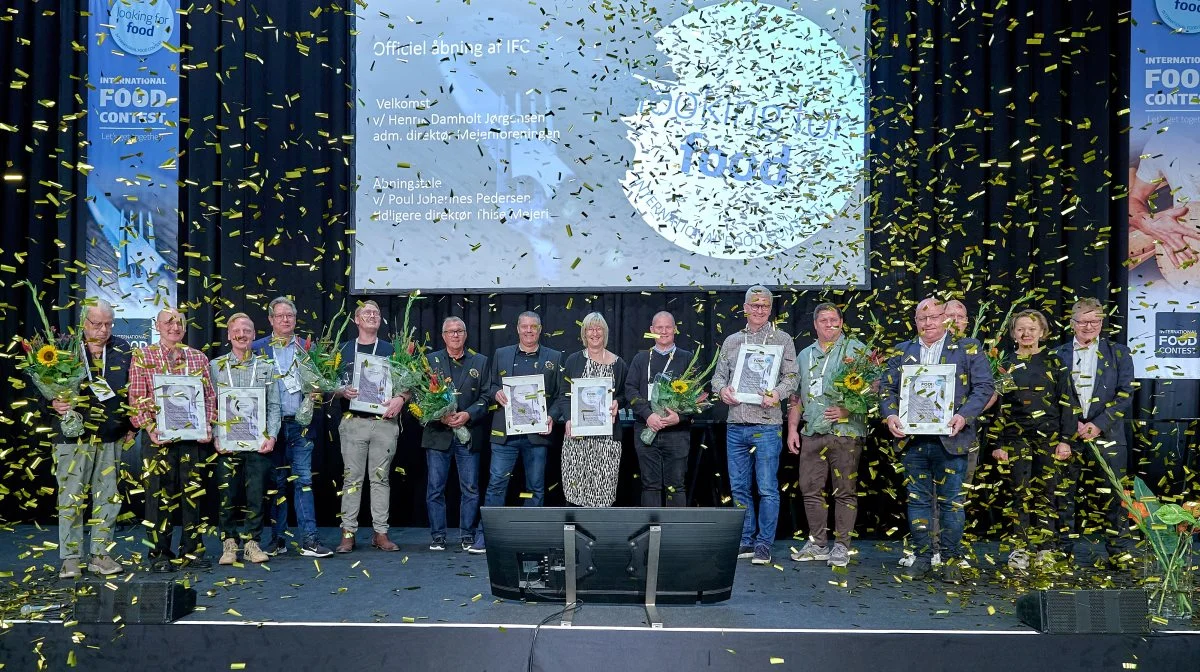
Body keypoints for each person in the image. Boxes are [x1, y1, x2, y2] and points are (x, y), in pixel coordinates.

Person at [881, 298, 994, 583]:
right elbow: (886, 388)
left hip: (952, 438)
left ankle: (951, 558)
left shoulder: (968, 347)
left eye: (934, 317)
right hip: (913, 440)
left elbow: (984, 387)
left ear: (946, 318)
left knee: (952, 503)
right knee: (918, 501)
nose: (928, 323)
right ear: (916, 321)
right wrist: (891, 415)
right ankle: (921, 556)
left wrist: (964, 416)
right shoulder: (901, 351)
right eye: (922, 318)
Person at [712, 286, 798, 566]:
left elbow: (793, 377)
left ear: (770, 310)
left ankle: (764, 543)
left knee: (767, 488)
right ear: (745, 308)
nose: (759, 310)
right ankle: (746, 539)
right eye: (755, 305)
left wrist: (778, 393)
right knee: (738, 488)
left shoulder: (783, 339)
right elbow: (717, 378)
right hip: (736, 423)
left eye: (765, 306)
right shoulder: (732, 341)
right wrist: (722, 390)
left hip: (767, 424)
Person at [128, 308, 218, 572]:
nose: (174, 326)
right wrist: (149, 427)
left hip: (191, 438)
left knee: (193, 495)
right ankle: (159, 554)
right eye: (168, 322)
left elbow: (209, 397)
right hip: (158, 438)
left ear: (185, 328)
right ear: (157, 326)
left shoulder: (198, 358)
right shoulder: (143, 356)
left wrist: (208, 425)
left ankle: (192, 551)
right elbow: (136, 397)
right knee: (158, 496)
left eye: (179, 322)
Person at [49, 299, 132, 578]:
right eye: (97, 324)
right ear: (83, 322)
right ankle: (71, 557)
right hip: (72, 437)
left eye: (108, 324)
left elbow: (131, 390)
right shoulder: (64, 349)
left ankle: (100, 554)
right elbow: (39, 389)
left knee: (107, 496)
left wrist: (132, 424)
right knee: (71, 496)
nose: (103, 330)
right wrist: (52, 403)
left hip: (110, 435)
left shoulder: (122, 348)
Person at [469, 311, 562, 554]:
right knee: (497, 484)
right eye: (524, 326)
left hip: (538, 434)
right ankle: (486, 536)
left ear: (540, 329)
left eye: (533, 326)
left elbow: (562, 395)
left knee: (536, 487)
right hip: (505, 434)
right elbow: (489, 387)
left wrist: (551, 415)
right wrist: (495, 393)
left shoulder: (554, 357)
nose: (529, 330)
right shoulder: (502, 354)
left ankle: (531, 537)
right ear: (517, 328)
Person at [1054, 297, 1137, 567]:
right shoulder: (1058, 355)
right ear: (1072, 324)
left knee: (1115, 497)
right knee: (1064, 495)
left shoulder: (1120, 353)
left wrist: (1099, 423)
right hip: (1070, 435)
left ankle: (1118, 552)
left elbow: (1126, 393)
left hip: (1109, 434)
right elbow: (1054, 397)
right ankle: (1062, 550)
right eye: (1083, 321)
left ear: (1102, 322)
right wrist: (1074, 423)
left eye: (1095, 321)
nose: (1089, 326)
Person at [786, 303, 868, 568]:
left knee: (844, 491)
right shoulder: (804, 355)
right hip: (811, 432)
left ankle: (842, 546)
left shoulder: (856, 349)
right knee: (810, 490)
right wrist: (791, 430)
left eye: (834, 320)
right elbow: (795, 397)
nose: (829, 324)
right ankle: (818, 543)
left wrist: (847, 409)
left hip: (845, 432)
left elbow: (874, 388)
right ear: (815, 324)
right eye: (823, 320)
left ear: (842, 322)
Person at [992, 309, 1074, 571]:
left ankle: (1045, 549)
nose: (1026, 334)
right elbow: (998, 406)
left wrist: (1065, 440)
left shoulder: (1055, 361)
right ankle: (1020, 549)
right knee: (1019, 493)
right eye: (1021, 329)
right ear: (1013, 333)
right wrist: (997, 443)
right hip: (1015, 439)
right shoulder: (1005, 362)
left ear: (1042, 331)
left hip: (1049, 439)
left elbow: (1068, 402)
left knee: (1047, 494)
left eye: (1032, 328)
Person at [252, 297, 332, 558]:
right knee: (277, 484)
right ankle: (278, 540)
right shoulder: (257, 349)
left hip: (301, 425)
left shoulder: (308, 348)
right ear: (271, 320)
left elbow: (321, 383)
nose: (285, 320)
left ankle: (309, 540)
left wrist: (319, 393)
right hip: (270, 427)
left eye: (290, 316)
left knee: (304, 480)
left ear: (295, 320)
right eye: (280, 316)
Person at [333, 300, 410, 553]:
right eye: (366, 312)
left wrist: (401, 398)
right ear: (356, 319)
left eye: (376, 312)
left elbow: (409, 384)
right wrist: (340, 390)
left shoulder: (392, 350)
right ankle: (348, 533)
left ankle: (381, 533)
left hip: (384, 424)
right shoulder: (343, 349)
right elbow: (326, 385)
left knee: (380, 480)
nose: (372, 315)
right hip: (353, 422)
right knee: (352, 480)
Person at [211, 313, 281, 565]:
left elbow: (274, 406)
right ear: (229, 335)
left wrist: (271, 436)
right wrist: (216, 436)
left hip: (257, 442)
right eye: (237, 330)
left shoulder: (266, 368)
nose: (242, 334)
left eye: (247, 330)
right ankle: (229, 543)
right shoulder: (214, 366)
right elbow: (210, 405)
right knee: (227, 493)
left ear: (254, 335)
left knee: (256, 494)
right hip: (226, 444)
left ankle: (252, 543)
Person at [422, 317, 489, 551]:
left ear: (466, 334)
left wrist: (468, 415)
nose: (455, 335)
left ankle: (467, 535)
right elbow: (421, 398)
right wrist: (438, 415)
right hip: (438, 433)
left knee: (470, 488)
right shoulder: (430, 361)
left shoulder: (480, 362)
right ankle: (438, 535)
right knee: (435, 488)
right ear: (443, 335)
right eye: (450, 332)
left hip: (468, 433)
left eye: (459, 331)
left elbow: (487, 396)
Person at [552, 313, 627, 507]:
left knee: (603, 489)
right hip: (577, 437)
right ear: (584, 333)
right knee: (575, 487)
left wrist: (618, 402)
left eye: (599, 328)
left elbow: (626, 394)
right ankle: (575, 533)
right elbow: (563, 394)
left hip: (607, 440)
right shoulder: (573, 360)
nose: (595, 333)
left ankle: (601, 534)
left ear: (605, 332)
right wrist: (568, 418)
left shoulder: (619, 364)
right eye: (590, 329)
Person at [625, 311, 695, 507]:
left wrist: (679, 417)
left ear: (675, 329)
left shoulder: (687, 358)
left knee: (677, 485)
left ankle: (675, 535)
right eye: (659, 327)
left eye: (668, 327)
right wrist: (648, 415)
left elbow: (699, 395)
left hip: (677, 433)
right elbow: (630, 390)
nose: (664, 331)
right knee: (650, 485)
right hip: (646, 430)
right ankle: (651, 533)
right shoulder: (640, 359)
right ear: (651, 330)